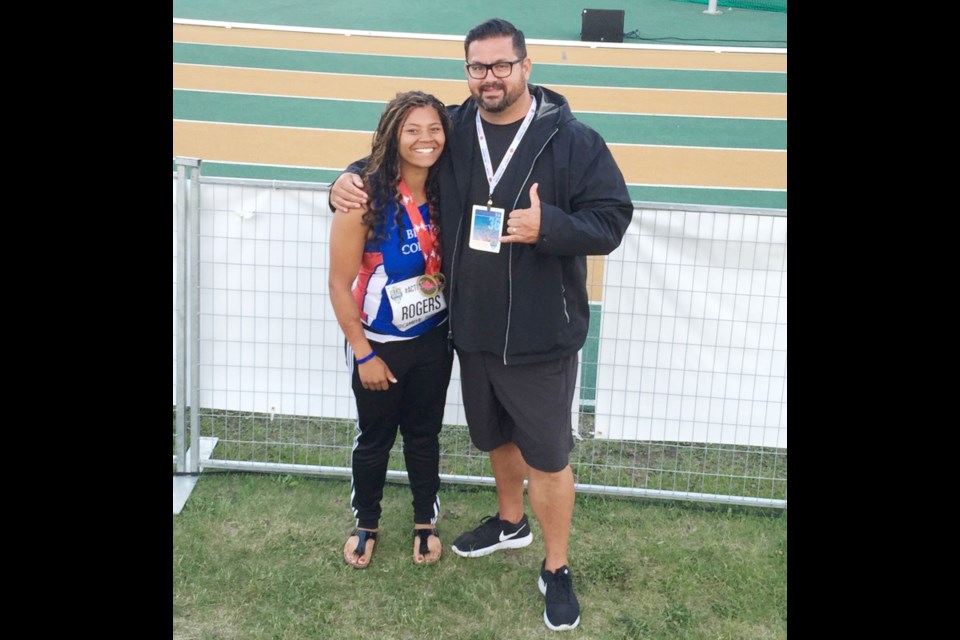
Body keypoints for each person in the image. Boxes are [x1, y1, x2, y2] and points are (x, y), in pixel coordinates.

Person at [330, 18, 633, 629]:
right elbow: (399, 148)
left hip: (541, 333)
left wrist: (548, 229)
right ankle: (509, 521)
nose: (489, 78)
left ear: (526, 66)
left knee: (548, 455)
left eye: (501, 66)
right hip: (468, 329)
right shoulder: (457, 124)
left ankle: (555, 567)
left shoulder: (573, 140)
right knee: (496, 436)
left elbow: (613, 220)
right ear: (466, 71)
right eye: (477, 67)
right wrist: (342, 180)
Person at [328, 90, 454, 570]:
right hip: (377, 344)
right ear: (392, 136)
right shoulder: (363, 196)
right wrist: (363, 353)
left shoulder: (448, 190)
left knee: (424, 436)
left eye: (434, 129)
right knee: (375, 438)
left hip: (433, 341)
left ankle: (425, 521)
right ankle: (367, 522)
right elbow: (339, 285)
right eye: (412, 130)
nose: (425, 139)